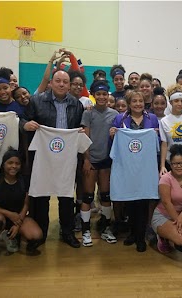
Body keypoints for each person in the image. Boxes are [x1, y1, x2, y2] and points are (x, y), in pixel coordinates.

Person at [20, 70, 86, 248]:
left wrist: (79, 131)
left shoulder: (76, 104)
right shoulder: (37, 100)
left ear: (70, 84)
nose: (62, 84)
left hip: (66, 158)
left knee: (66, 196)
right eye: (58, 81)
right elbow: (21, 119)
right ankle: (40, 232)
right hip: (43, 156)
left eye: (65, 81)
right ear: (51, 83)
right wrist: (25, 124)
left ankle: (67, 232)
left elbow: (80, 126)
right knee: (41, 196)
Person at [110, 90, 160, 251]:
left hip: (145, 168)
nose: (138, 104)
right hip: (127, 167)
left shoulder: (152, 119)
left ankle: (140, 237)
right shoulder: (120, 118)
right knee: (130, 201)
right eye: (134, 101)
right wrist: (113, 134)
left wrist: (156, 135)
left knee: (143, 202)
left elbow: (158, 143)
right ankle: (132, 233)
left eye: (140, 101)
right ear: (129, 104)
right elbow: (115, 143)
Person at [0, 150, 43, 266]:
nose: (14, 166)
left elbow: (26, 205)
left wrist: (17, 224)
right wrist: (9, 214)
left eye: (17, 163)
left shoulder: (24, 180)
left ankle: (9, 236)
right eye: (10, 163)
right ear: (3, 164)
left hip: (16, 217)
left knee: (36, 235)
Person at [79, 80, 119, 246]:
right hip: (92, 160)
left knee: (106, 195)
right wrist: (86, 159)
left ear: (108, 95)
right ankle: (86, 230)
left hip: (106, 160)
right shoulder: (88, 113)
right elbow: (85, 137)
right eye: (99, 94)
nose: (102, 97)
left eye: (104, 94)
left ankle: (104, 228)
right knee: (88, 196)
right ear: (94, 96)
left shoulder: (114, 114)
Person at [159, 88, 182, 175]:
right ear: (170, 102)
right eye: (176, 101)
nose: (179, 104)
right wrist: (162, 165)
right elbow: (164, 144)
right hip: (171, 163)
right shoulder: (164, 121)